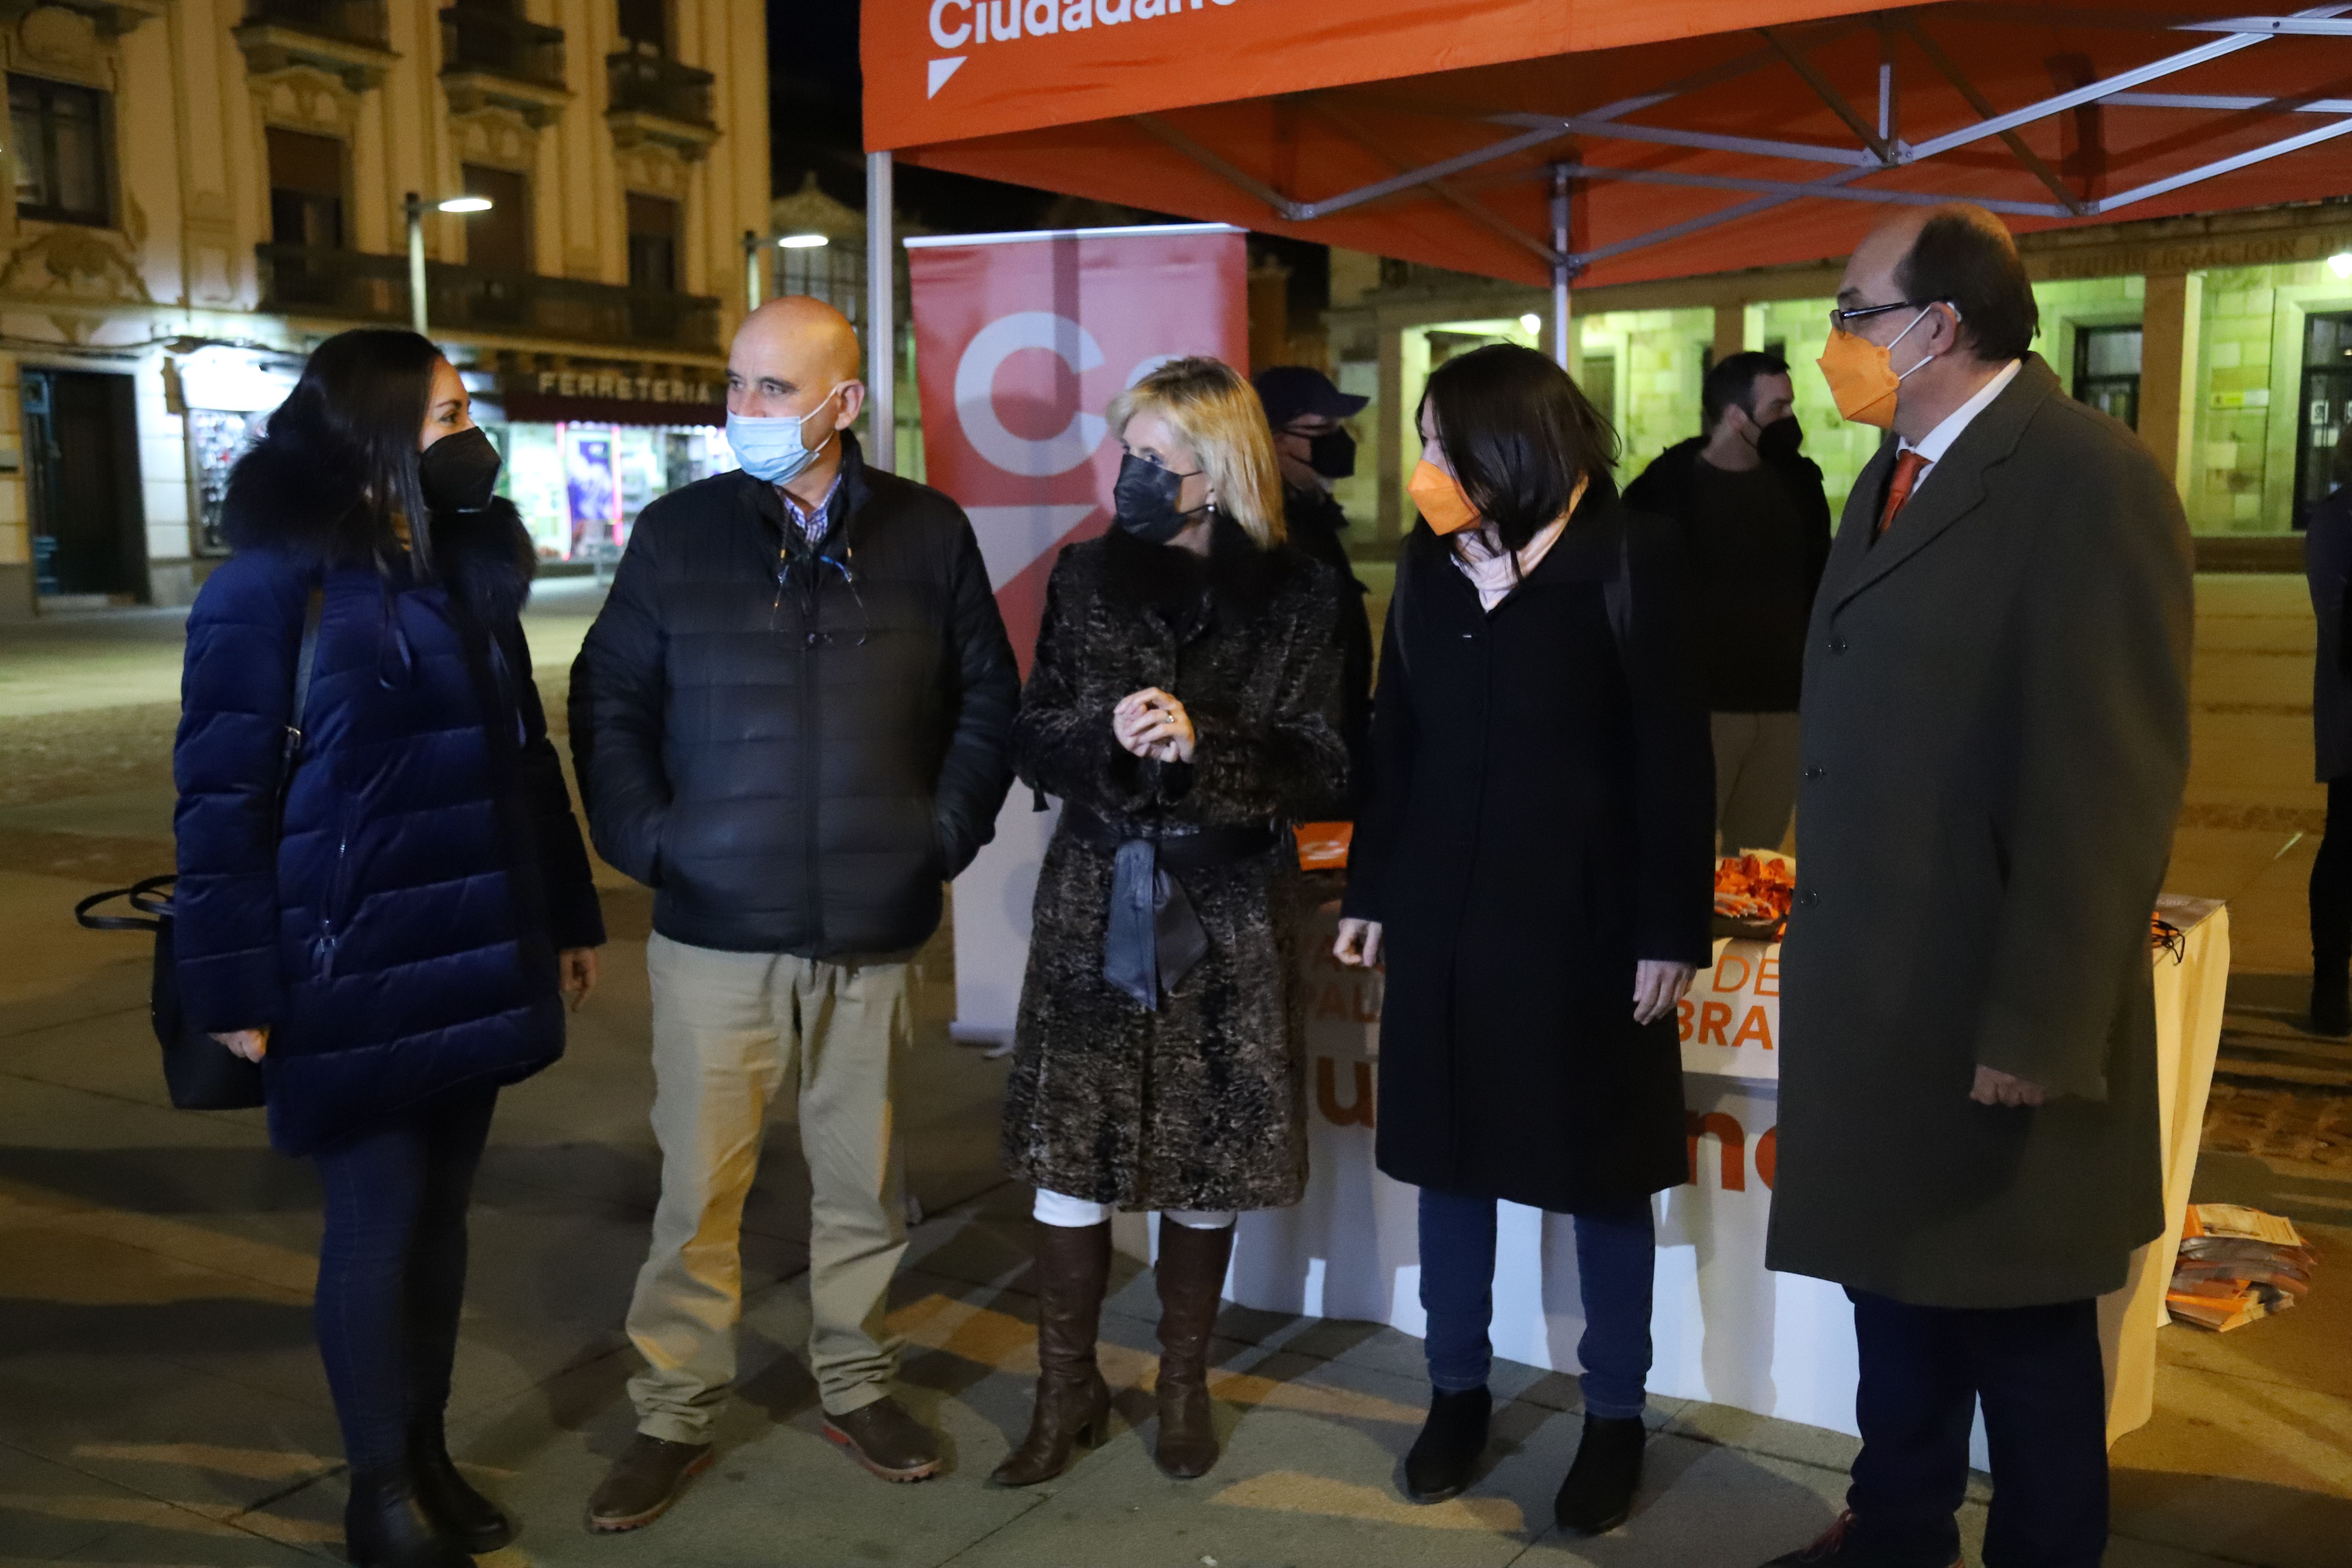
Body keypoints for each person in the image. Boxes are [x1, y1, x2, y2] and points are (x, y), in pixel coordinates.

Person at [1762, 205, 2191, 1568]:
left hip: (1991, 1011)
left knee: (2025, 1337)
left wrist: (2040, 1028)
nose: (1832, 341)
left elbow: (2108, 783)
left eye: (1850, 309)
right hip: (1882, 1004)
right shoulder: (1890, 472)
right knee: (1895, 1305)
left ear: (1936, 324)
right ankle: (1895, 1530)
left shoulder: (2084, 480)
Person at [569, 297, 1019, 1528]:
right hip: (717, 924)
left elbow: (989, 696)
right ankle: (674, 1412)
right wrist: (649, 841)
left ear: (844, 403)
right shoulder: (677, 535)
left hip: (873, 922)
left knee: (861, 1185)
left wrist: (941, 836)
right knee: (698, 1191)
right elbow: (607, 693)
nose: (747, 412)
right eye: (739, 386)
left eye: (775, 389)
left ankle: (857, 1383)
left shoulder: (929, 533)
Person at [173, 328, 605, 1568]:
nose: (470, 435)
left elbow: (526, 757)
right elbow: (217, 801)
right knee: (375, 1219)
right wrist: (234, 983)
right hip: (342, 963)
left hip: (471, 943)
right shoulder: (266, 588)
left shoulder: (467, 566)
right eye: (443, 412)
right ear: (370, 430)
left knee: (444, 1220)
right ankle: (377, 1490)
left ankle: (427, 1451)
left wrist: (568, 911)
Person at [1334, 343, 1714, 1533]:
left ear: (1512, 447)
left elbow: (1673, 758)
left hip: (1589, 925)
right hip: (1447, 921)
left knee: (1601, 1173)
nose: (1425, 468)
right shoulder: (1429, 567)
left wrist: (1669, 924)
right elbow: (1395, 744)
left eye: (1444, 444)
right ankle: (1457, 1391)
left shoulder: (1628, 556)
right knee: (1450, 1159)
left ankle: (1614, 1415)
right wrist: (1369, 889)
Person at [994, 357, 1348, 1487]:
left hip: (1232, 900)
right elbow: (1034, 728)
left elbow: (1332, 759)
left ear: (1222, 467)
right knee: (1073, 1151)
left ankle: (1181, 1383)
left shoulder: (1303, 591)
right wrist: (1102, 734)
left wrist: (1211, 746)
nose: (1132, 475)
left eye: (1157, 458)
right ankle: (1065, 1390)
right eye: (1127, 453)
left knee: (1208, 1154)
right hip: (1097, 890)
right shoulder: (1086, 574)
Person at [1624, 351, 1831, 854]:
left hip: (1783, 713)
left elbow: (1820, 585)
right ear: (1737, 417)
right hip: (1700, 715)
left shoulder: (1800, 485)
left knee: (1757, 869)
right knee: (1677, 859)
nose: (1790, 419)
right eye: (1778, 407)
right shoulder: (1662, 494)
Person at [1255, 364, 1375, 812]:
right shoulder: (1267, 536)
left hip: (1331, 762)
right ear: (1273, 438)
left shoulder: (1312, 516)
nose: (1338, 443)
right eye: (1320, 430)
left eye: (1338, 429)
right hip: (1301, 784)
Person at [2304, 427, 2352, 1036]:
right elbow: (2337, 622)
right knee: (2345, 843)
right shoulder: (2339, 522)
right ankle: (2330, 983)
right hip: (2351, 713)